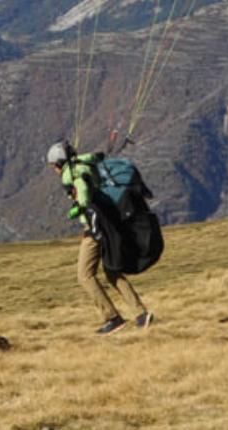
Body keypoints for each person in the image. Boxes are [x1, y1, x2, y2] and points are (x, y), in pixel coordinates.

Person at [46, 140, 153, 335]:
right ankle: (141, 314)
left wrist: (80, 206)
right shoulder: (87, 163)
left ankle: (112, 317)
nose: (54, 170)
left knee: (84, 275)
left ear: (59, 163)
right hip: (108, 224)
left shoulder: (71, 173)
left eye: (53, 166)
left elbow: (82, 189)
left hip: (95, 230)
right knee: (112, 271)